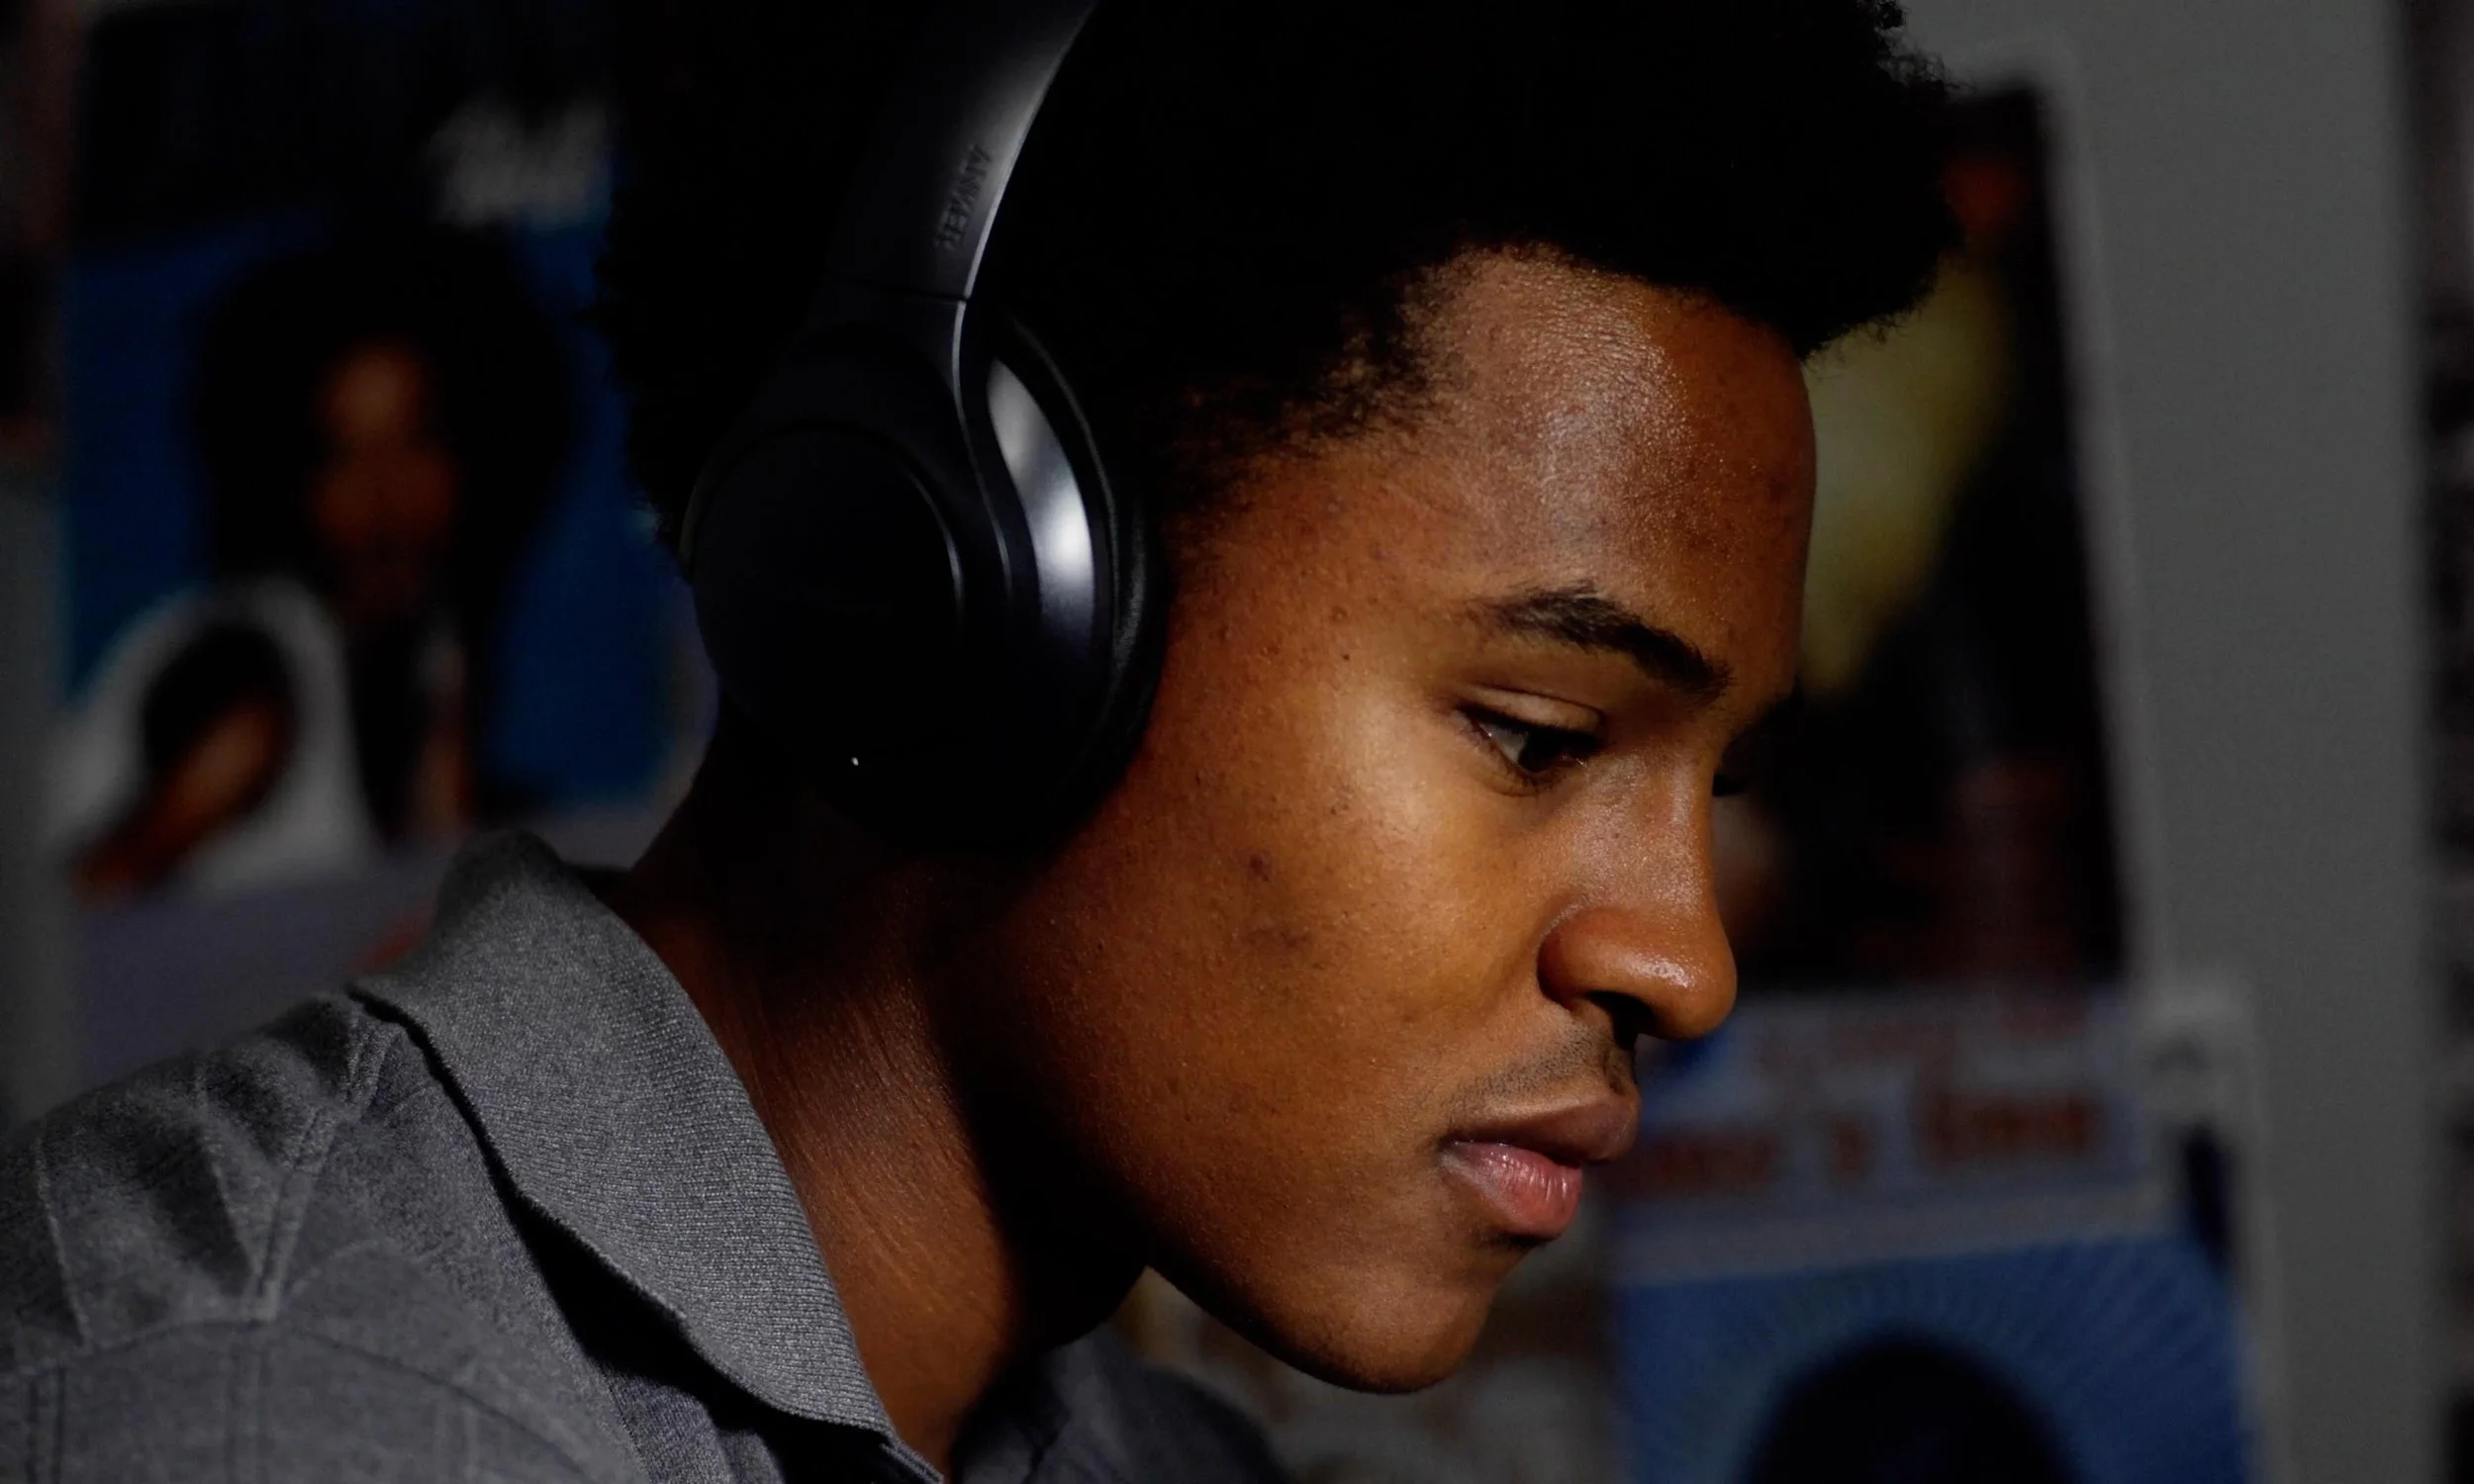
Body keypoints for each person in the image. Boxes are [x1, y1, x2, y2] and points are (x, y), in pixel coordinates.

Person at [0, 1, 1953, 1479]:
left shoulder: (1146, 1454)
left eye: (1719, 786)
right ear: (952, 587)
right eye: (1535, 736)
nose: (1681, 963)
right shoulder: (267, 1415)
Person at [53, 232, 571, 898]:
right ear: (288, 487)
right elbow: (78, 910)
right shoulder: (250, 693)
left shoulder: (429, 676)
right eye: (341, 457)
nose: (388, 502)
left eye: (418, 441)